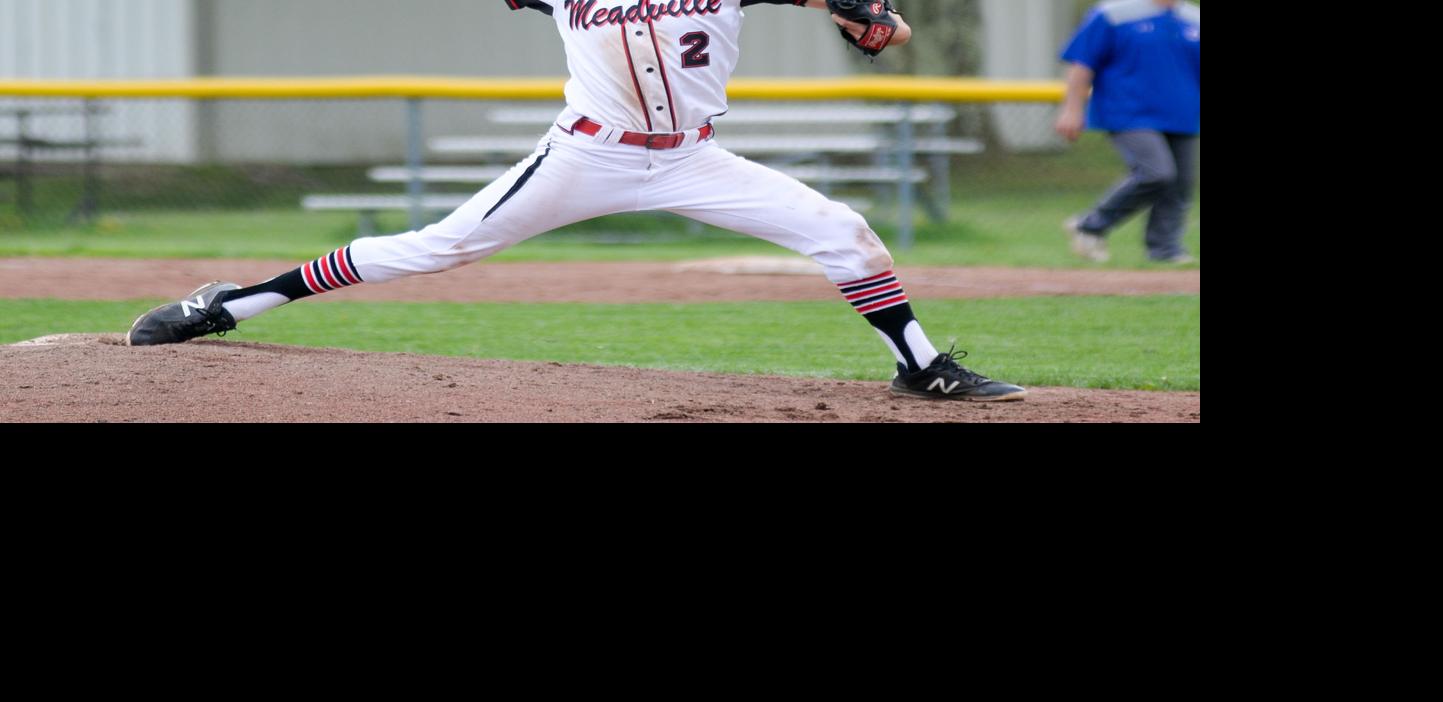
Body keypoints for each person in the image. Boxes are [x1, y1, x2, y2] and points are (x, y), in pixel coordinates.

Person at [126, 0, 1026, 403]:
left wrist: (872, 16)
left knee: (846, 234)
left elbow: (864, 11)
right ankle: (228, 304)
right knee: (438, 246)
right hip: (585, 156)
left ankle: (919, 367)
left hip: (696, 159)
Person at [1055, 0, 1199, 264]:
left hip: (1183, 114)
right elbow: (1082, 63)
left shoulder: (1194, 19)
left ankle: (1165, 250)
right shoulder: (1113, 14)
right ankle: (1091, 224)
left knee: (1180, 184)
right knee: (1155, 172)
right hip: (1127, 112)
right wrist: (1071, 109)